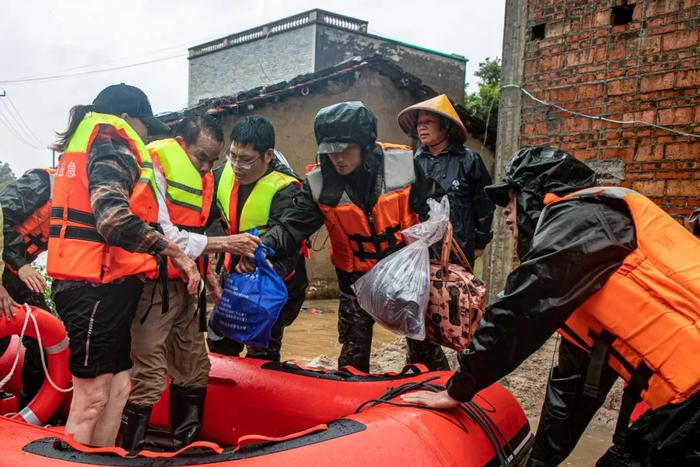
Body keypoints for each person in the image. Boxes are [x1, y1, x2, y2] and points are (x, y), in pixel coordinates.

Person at [402, 146, 700, 466]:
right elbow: (572, 393)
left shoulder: (585, 218)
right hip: (682, 403)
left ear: (535, 195)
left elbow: (518, 313)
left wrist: (458, 389)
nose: (504, 212)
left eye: (511, 199)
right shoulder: (583, 274)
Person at [48, 84, 200, 447]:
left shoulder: (104, 142)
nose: (145, 135)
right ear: (127, 119)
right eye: (144, 125)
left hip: (113, 285)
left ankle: (108, 456)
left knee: (118, 387)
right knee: (93, 395)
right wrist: (173, 251)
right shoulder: (111, 143)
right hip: (91, 288)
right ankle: (74, 455)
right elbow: (112, 218)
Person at [259, 101, 449, 373]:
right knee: (352, 352)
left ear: (364, 144)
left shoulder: (403, 164)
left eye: (345, 149)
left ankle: (438, 384)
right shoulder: (318, 183)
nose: (338, 158)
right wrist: (261, 247)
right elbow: (290, 227)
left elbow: (435, 203)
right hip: (355, 281)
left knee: (424, 347)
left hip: (404, 273)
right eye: (330, 151)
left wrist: (434, 229)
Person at [119, 115, 260, 452]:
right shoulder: (154, 167)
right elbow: (164, 233)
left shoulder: (203, 179)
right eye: (201, 158)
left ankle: (185, 447)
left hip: (187, 285)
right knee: (149, 374)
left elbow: (194, 233)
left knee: (195, 367)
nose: (206, 167)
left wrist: (208, 274)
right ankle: (128, 451)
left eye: (213, 161)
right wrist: (225, 244)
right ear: (181, 145)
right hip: (153, 288)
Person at [206, 115, 308, 362]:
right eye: (232, 156)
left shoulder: (288, 190)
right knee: (218, 339)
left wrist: (258, 261)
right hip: (233, 276)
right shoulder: (220, 176)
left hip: (275, 278)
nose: (237, 165)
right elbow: (203, 219)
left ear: (268, 155)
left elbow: (288, 241)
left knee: (261, 347)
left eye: (246, 160)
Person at [398, 94, 495, 265]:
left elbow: (484, 205)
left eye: (428, 122)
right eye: (419, 123)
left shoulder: (469, 160)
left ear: (446, 126)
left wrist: (480, 243)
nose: (422, 127)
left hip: (458, 247)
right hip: (420, 249)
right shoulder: (413, 161)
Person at [0, 168, 54, 405]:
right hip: (9, 267)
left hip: (18, 276)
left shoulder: (84, 203)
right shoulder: (41, 183)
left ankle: (30, 408)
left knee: (47, 339)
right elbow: (3, 214)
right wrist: (19, 263)